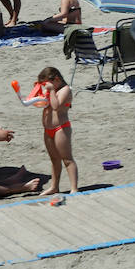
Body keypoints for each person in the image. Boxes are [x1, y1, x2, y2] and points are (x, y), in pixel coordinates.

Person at [36, 67, 78, 195]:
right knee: (54, 159)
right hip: (48, 129)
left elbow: (56, 106)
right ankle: (54, 186)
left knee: (67, 159)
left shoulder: (65, 90)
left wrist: (51, 90)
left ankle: (74, 188)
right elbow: (44, 104)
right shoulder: (53, 90)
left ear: (57, 79)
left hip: (61, 128)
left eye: (47, 83)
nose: (46, 86)